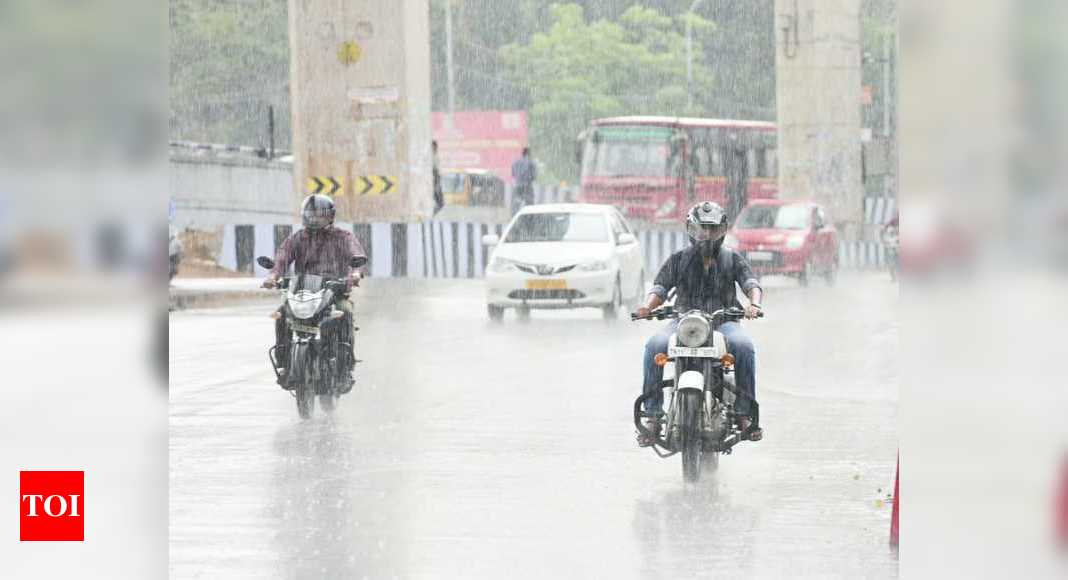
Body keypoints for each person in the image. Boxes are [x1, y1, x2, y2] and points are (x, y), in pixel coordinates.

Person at [635, 201, 764, 442]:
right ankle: (652, 416)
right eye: (701, 229)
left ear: (722, 230)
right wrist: (647, 307)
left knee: (744, 347)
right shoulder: (679, 260)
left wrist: (754, 305)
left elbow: (751, 284)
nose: (706, 234)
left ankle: (745, 413)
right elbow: (660, 288)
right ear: (691, 229)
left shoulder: (732, 259)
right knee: (654, 347)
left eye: (712, 229)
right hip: (683, 322)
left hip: (724, 322)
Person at [262, 194, 367, 391]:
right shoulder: (298, 239)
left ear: (330, 216)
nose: (315, 219)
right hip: (302, 292)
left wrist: (355, 274)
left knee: (345, 313)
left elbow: (357, 255)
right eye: (311, 215)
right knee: (282, 315)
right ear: (304, 216)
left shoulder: (343, 237)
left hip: (334, 292)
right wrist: (273, 276)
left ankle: (345, 369)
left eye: (320, 215)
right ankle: (284, 364)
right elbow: (282, 257)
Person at [511, 147, 537, 213]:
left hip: (518, 186)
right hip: (527, 186)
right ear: (529, 154)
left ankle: (515, 215)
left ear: (522, 153)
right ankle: (529, 216)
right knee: (529, 203)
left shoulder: (515, 162)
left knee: (516, 202)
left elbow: (513, 174)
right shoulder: (531, 162)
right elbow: (534, 176)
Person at [432, 141, 444, 215]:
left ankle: (432, 213)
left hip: (435, 177)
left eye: (435, 147)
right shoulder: (429, 156)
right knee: (439, 202)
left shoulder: (436, 156)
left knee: (440, 202)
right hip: (433, 177)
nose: (434, 148)